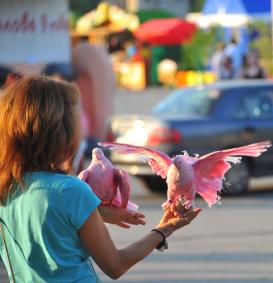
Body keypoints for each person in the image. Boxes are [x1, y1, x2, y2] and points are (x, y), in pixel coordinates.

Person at [0, 77, 201, 282]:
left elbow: (45, 220)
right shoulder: (70, 191)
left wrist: (95, 212)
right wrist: (165, 229)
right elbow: (115, 265)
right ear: (61, 132)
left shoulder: (6, 190)